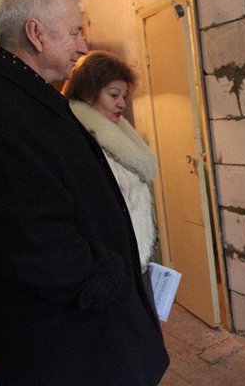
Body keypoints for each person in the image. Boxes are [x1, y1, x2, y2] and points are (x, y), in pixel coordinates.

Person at [0, 0, 169, 385]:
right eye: (74, 31)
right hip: (63, 344)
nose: (83, 45)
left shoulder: (30, 98)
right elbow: (31, 241)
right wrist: (113, 275)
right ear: (36, 33)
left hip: (86, 328)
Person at [63, 50, 159, 306]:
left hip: (135, 258)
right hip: (111, 267)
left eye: (123, 96)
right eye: (114, 95)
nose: (121, 104)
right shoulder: (82, 141)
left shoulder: (118, 133)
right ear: (88, 93)